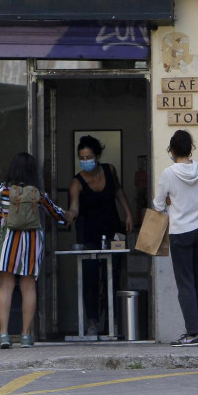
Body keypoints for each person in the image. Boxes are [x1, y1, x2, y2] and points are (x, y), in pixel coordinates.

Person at [0, 152, 68, 349]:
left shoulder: (2, 190)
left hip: (7, 242)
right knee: (28, 287)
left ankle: (4, 334)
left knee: (5, 287)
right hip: (31, 244)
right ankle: (25, 335)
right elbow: (57, 214)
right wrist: (69, 215)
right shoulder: (38, 194)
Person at [66, 135, 134, 335]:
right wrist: (68, 215)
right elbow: (74, 208)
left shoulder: (109, 170)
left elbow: (119, 192)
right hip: (88, 235)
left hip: (114, 232)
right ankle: (93, 322)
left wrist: (128, 214)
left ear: (97, 156)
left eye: (88, 156)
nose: (85, 161)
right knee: (90, 278)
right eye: (82, 157)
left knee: (113, 275)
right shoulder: (77, 183)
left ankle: (113, 321)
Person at [153, 130, 198, 347]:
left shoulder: (168, 173)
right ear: (191, 148)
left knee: (185, 284)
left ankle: (192, 332)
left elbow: (158, 205)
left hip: (181, 233)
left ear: (172, 150)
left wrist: (169, 201)